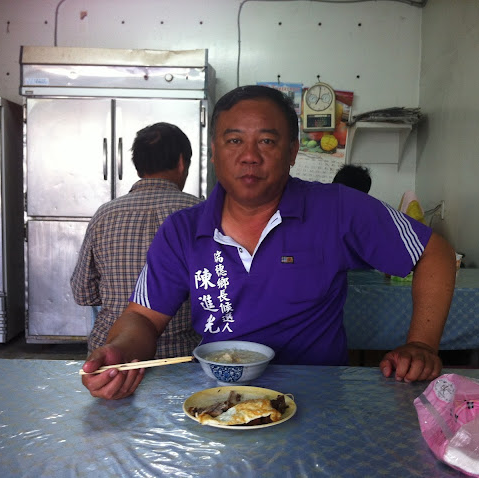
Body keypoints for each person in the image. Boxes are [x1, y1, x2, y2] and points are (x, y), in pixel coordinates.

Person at [81, 86, 456, 400]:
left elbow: (433, 252)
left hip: (319, 400)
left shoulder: (337, 208)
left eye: (267, 141)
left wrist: (421, 344)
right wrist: (121, 352)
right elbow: (143, 317)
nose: (249, 156)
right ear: (214, 152)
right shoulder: (182, 229)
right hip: (220, 400)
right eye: (234, 141)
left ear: (292, 151)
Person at [71, 122, 202, 358]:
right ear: (182, 162)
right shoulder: (199, 213)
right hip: (183, 355)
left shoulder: (105, 214)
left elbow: (83, 293)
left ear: (138, 165)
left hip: (113, 356)